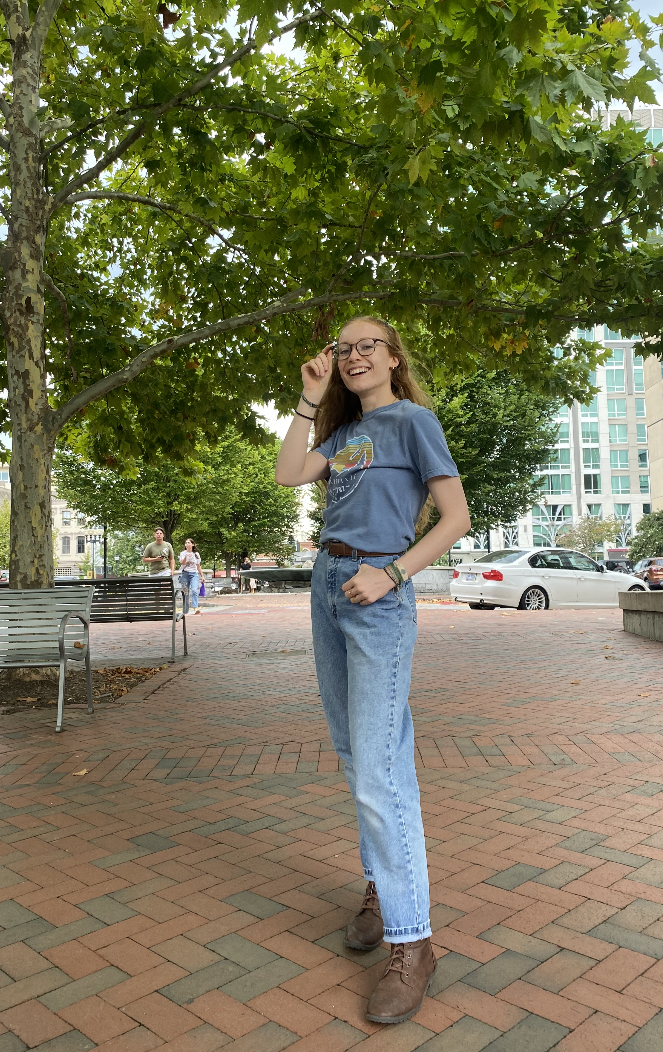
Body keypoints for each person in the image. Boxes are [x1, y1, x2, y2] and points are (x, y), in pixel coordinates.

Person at [275, 315, 470, 1025]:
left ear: (392, 357)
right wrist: (308, 396)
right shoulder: (344, 435)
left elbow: (455, 518)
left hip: (376, 594)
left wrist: (391, 575)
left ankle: (413, 941)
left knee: (381, 771)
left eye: (367, 346)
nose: (353, 355)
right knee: (359, 755)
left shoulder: (414, 422)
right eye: (341, 348)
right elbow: (288, 472)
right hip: (328, 589)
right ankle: (380, 889)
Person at [179, 538, 202, 614]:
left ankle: (195, 608)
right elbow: (182, 563)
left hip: (194, 574)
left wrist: (202, 576)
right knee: (186, 592)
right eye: (186, 543)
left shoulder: (196, 554)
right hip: (185, 574)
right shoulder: (182, 553)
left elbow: (198, 566)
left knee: (195, 590)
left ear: (192, 544)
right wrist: (186, 557)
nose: (187, 544)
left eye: (189, 542)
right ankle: (186, 610)